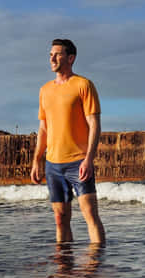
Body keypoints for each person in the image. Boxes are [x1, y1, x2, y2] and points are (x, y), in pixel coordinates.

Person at [31, 39, 106, 244]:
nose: (52, 58)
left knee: (90, 214)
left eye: (57, 54)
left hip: (78, 162)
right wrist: (37, 159)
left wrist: (89, 159)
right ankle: (64, 267)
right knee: (60, 219)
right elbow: (44, 128)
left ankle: (97, 264)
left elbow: (94, 125)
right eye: (50, 54)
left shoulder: (83, 85)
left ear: (70, 58)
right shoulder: (45, 90)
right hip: (53, 164)